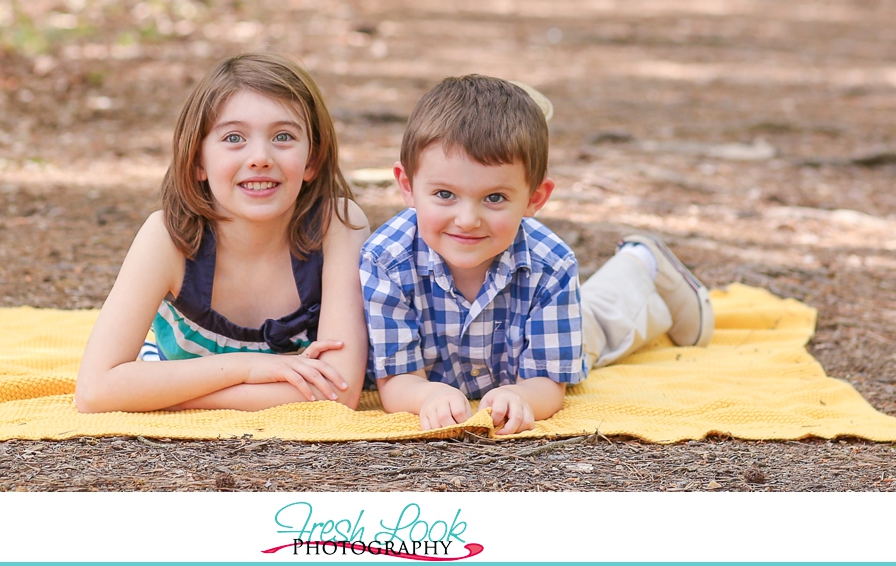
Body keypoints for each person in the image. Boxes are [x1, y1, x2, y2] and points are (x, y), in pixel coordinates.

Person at [360, 75, 714, 435]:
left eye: (494, 197)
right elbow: (397, 379)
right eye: (444, 195)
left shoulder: (551, 264)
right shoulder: (386, 260)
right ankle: (638, 269)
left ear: (534, 199)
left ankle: (641, 264)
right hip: (487, 355)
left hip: (538, 343)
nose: (467, 220)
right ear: (407, 186)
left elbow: (548, 383)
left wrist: (522, 396)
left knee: (600, 328)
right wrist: (425, 396)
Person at [75, 53, 369, 413]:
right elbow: (95, 390)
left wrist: (162, 397)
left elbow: (340, 391)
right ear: (199, 160)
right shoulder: (167, 238)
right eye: (234, 137)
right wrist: (249, 368)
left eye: (283, 136)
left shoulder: (336, 225)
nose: (260, 156)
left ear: (312, 160)